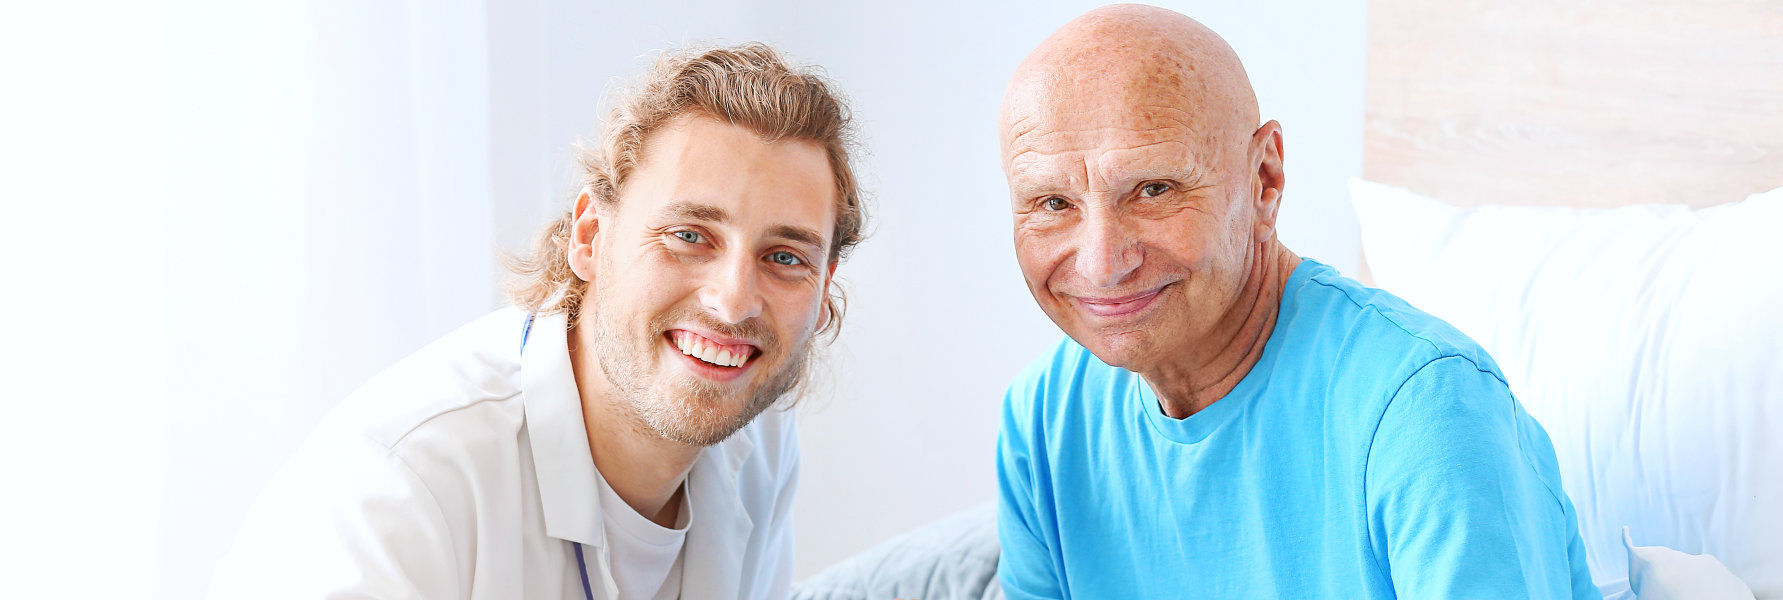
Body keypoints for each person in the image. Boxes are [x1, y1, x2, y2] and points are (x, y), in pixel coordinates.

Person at [207, 43, 865, 599]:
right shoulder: (402, 492)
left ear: (825, 285)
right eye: (689, 235)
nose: (733, 303)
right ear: (589, 237)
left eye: (784, 257)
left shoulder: (758, 423)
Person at [992, 5, 1601, 599]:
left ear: (1264, 181)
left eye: (1154, 189)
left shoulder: (1427, 411)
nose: (1102, 262)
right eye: (1052, 203)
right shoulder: (1044, 419)